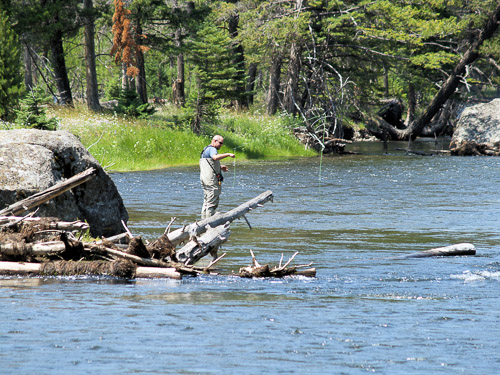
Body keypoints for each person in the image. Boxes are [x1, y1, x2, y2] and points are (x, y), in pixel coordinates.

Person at [199, 135, 235, 219]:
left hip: (204, 180)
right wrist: (228, 154)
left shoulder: (205, 149)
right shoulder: (212, 149)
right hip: (211, 181)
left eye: (222, 143)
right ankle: (209, 224)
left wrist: (220, 167)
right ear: (214, 141)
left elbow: (209, 163)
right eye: (220, 143)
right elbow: (215, 157)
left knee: (206, 202)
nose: (221, 145)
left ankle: (202, 222)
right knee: (211, 204)